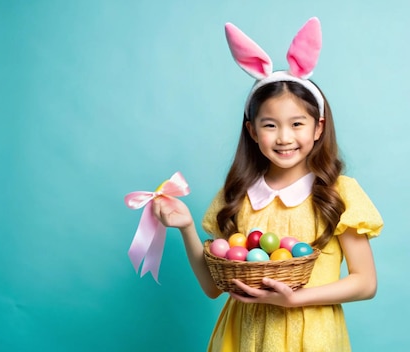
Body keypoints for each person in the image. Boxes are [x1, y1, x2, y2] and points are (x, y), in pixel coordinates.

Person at [152, 17, 383, 352]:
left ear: (318, 128)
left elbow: (366, 282)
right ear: (252, 131)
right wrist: (186, 227)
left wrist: (295, 300)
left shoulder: (339, 193)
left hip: (312, 337)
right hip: (244, 337)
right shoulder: (237, 195)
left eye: (297, 124)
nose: (284, 137)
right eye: (270, 125)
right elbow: (213, 287)